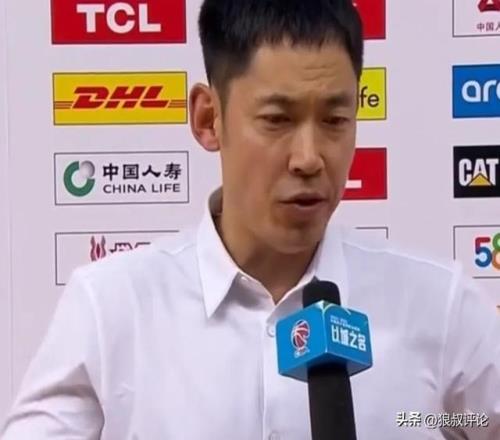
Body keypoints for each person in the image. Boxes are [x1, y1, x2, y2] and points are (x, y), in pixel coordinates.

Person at [2, 0, 500, 439]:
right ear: (208, 118)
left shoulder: (438, 304)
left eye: (335, 120)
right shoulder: (111, 307)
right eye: (277, 120)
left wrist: (416, 423)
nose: (309, 158)